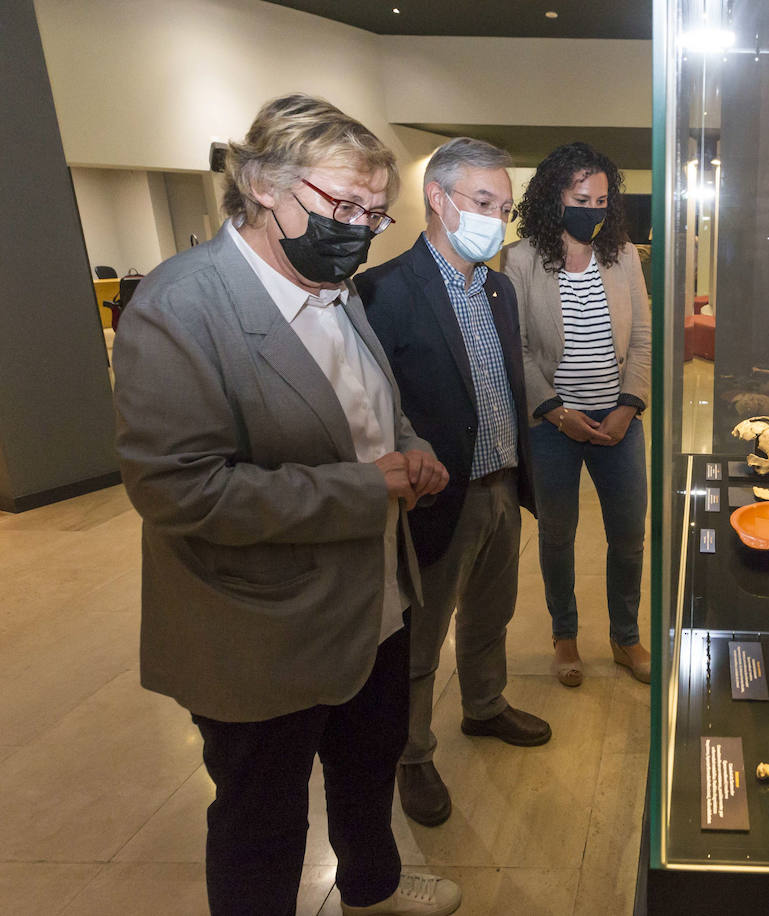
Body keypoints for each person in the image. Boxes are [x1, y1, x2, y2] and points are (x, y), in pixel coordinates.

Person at [112, 94, 460, 916]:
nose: (358, 227)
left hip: (372, 596)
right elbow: (176, 489)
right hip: (259, 620)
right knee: (261, 816)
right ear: (263, 184)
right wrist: (366, 485)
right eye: (341, 204)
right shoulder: (182, 307)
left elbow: (375, 404)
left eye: (375, 215)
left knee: (368, 761)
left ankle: (370, 886)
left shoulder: (336, 286)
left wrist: (412, 449)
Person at [356, 138, 548, 828]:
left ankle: (485, 705)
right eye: (484, 203)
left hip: (500, 480)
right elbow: (373, 406)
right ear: (438, 199)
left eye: (506, 207)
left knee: (491, 611)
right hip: (437, 495)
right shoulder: (382, 291)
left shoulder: (497, 286)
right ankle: (411, 754)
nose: (498, 219)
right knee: (420, 635)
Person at [505, 142, 652, 687]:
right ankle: (564, 635)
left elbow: (642, 337)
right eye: (580, 198)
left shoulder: (624, 256)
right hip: (553, 427)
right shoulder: (521, 260)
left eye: (602, 200)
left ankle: (625, 637)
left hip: (618, 422)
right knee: (557, 536)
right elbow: (515, 346)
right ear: (553, 198)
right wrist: (553, 410)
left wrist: (628, 405)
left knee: (629, 537)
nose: (592, 209)